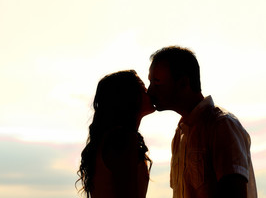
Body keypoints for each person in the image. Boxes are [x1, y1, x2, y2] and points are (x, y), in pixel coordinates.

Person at [147, 46, 257, 198]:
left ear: (183, 83)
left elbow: (234, 190)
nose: (149, 91)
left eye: (156, 82)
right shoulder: (180, 135)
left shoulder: (222, 126)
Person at [76, 70, 155, 198]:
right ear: (129, 97)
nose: (149, 92)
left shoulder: (112, 138)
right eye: (142, 89)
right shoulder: (122, 140)